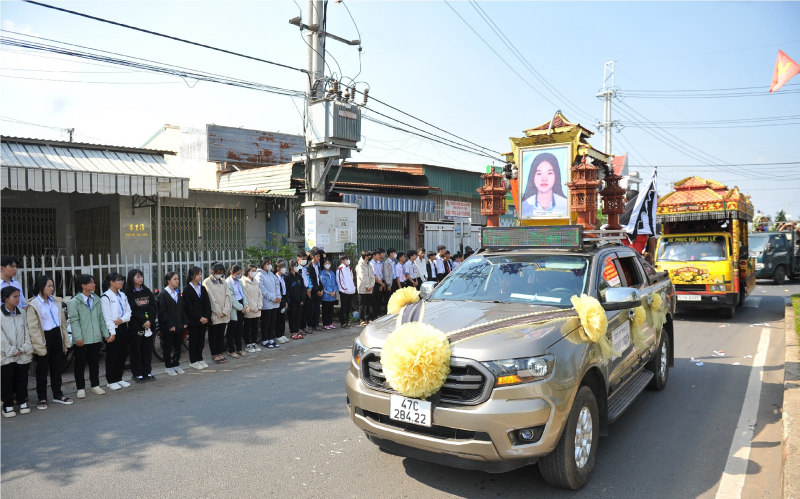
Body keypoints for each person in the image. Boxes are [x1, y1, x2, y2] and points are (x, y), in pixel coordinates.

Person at [28, 275, 73, 409]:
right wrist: (39, 344)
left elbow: (63, 323)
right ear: (41, 287)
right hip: (43, 337)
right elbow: (33, 328)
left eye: (52, 285)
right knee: (42, 369)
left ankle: (58, 394)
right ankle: (42, 397)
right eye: (49, 286)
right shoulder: (33, 305)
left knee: (57, 367)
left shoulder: (55, 301)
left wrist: (64, 339)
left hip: (56, 335)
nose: (52, 288)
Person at [70, 274, 110, 397]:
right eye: (91, 282)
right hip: (82, 339)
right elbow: (74, 321)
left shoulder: (96, 299)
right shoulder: (74, 302)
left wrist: (105, 334)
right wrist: (78, 337)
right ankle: (80, 388)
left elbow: (100, 319)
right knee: (80, 365)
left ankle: (95, 385)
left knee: (94, 363)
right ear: (83, 285)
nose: (94, 284)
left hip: (95, 338)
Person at [1, 287, 33, 417]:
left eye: (18, 296)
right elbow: (1, 337)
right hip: (6, 354)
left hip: (22, 353)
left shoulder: (22, 313)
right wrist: (12, 350)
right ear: (5, 299)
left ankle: (22, 401)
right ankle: (7, 405)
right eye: (15, 296)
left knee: (22, 378)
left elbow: (27, 331)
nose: (18, 299)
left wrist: (24, 348)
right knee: (6, 380)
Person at [100, 272, 132, 390]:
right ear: (111, 282)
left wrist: (122, 320)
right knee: (112, 355)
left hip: (123, 326)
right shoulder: (105, 297)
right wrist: (112, 332)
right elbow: (107, 317)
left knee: (122, 353)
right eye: (119, 280)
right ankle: (111, 380)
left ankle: (119, 378)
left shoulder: (122, 295)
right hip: (112, 328)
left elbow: (129, 311)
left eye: (122, 280)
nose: (122, 283)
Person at [126, 269, 157, 383]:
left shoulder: (146, 290)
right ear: (131, 278)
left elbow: (153, 305)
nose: (140, 279)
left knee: (147, 350)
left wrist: (150, 320)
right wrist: (144, 320)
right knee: (136, 350)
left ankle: (147, 372)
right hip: (136, 326)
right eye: (137, 277)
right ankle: (138, 373)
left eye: (141, 276)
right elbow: (133, 308)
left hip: (148, 325)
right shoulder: (128, 293)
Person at [158, 272, 188, 375]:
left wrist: (185, 321)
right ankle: (168, 366)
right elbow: (162, 312)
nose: (177, 281)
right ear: (168, 280)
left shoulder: (177, 293)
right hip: (168, 327)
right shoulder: (163, 294)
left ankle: (176, 364)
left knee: (178, 346)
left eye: (178, 278)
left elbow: (182, 309)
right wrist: (170, 325)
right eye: (175, 279)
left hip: (179, 325)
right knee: (168, 347)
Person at [521, 152, 568, 217]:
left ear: (556, 175)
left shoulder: (566, 204)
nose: (544, 178)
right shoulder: (524, 206)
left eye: (549, 173)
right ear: (533, 176)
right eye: (539, 174)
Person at [204, 263, 233, 364]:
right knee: (213, 335)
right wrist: (218, 311)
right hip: (215, 314)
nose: (220, 274)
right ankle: (214, 354)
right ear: (212, 271)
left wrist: (225, 311)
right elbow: (210, 299)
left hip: (224, 314)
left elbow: (228, 296)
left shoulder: (224, 281)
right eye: (218, 272)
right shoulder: (207, 282)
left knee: (221, 335)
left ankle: (220, 353)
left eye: (221, 272)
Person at [183, 266, 211, 370]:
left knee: (201, 340)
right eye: (198, 274)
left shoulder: (202, 288)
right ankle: (193, 360)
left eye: (200, 274)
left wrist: (206, 316)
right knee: (194, 340)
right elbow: (189, 307)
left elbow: (207, 303)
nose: (200, 276)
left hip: (204, 320)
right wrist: (199, 317)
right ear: (192, 276)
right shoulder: (187, 290)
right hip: (194, 320)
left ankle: (200, 358)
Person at [257, 257, 281, 349]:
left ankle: (271, 339)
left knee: (272, 322)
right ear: (264, 264)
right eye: (268, 263)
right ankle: (265, 340)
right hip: (267, 302)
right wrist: (272, 297)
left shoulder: (272, 274)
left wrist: (278, 296)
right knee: (266, 322)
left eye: (270, 263)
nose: (270, 265)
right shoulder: (259, 275)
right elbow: (262, 290)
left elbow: (277, 285)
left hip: (275, 302)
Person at [225, 265, 249, 358]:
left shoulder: (239, 282)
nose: (239, 275)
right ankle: (231, 350)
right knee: (232, 330)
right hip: (234, 308)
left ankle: (239, 349)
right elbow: (231, 298)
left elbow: (243, 294)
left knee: (239, 329)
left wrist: (245, 305)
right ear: (232, 273)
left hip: (241, 306)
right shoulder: (228, 282)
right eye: (237, 274)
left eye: (240, 274)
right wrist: (240, 307)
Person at [241, 264, 263, 353]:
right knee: (247, 328)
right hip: (250, 309)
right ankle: (248, 344)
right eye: (252, 270)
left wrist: (259, 306)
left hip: (257, 309)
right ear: (248, 271)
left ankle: (254, 342)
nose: (254, 272)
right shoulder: (243, 282)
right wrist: (254, 307)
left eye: (255, 270)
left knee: (255, 327)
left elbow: (260, 295)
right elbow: (247, 297)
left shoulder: (256, 281)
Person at [285, 258, 306, 340]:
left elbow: (303, 288)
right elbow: (289, 290)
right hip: (292, 301)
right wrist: (298, 300)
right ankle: (293, 332)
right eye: (295, 266)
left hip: (300, 301)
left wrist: (302, 299)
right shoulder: (287, 277)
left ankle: (297, 331)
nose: (296, 267)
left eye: (297, 265)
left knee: (298, 316)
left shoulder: (299, 276)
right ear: (291, 267)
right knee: (292, 317)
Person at [305, 250, 324, 332]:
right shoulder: (309, 267)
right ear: (312, 257)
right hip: (312, 290)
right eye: (317, 256)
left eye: (319, 256)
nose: (319, 258)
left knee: (317, 308)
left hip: (318, 289)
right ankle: (310, 324)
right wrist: (316, 290)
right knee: (311, 308)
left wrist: (321, 289)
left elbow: (319, 279)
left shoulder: (318, 266)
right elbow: (312, 280)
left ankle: (316, 324)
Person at [356, 251, 375, 326]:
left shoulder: (370, 265)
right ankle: (361, 319)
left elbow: (372, 276)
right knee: (362, 305)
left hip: (370, 289)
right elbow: (362, 277)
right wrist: (367, 286)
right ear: (365, 256)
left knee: (368, 304)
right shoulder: (360, 265)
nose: (370, 257)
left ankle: (367, 318)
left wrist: (371, 286)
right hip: (363, 288)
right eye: (369, 256)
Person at [336, 254, 355, 328]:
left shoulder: (349, 268)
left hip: (350, 290)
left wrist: (352, 288)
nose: (347, 260)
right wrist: (344, 289)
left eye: (348, 259)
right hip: (344, 291)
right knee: (343, 306)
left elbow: (351, 278)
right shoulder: (340, 269)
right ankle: (343, 322)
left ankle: (347, 320)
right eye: (346, 259)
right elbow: (339, 280)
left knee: (348, 306)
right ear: (342, 261)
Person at [273, 260, 289, 344]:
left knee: (282, 319)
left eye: (284, 267)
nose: (284, 269)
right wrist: (282, 301)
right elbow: (277, 291)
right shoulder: (275, 277)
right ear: (277, 268)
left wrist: (286, 301)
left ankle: (282, 334)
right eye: (282, 267)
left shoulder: (284, 277)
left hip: (284, 299)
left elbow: (286, 290)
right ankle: (278, 335)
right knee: (278, 319)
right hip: (278, 300)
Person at [320, 258, 337, 330]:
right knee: (325, 310)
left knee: (330, 310)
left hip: (333, 295)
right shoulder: (322, 273)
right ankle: (325, 324)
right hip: (326, 295)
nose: (327, 265)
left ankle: (330, 323)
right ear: (323, 265)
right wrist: (330, 292)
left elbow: (336, 283)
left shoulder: (332, 273)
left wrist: (335, 291)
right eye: (326, 263)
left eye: (328, 263)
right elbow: (323, 285)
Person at [295, 251, 310, 334]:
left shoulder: (305, 268)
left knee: (305, 311)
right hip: (300, 292)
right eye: (302, 259)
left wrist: (309, 288)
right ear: (298, 260)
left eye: (305, 259)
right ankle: (299, 327)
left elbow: (308, 278)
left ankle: (304, 326)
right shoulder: (297, 269)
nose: (304, 261)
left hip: (307, 290)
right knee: (299, 311)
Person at [371, 250, 384, 319]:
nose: (379, 256)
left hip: (380, 283)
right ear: (374, 255)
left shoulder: (378, 263)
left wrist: (381, 284)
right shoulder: (372, 264)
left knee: (379, 300)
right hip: (375, 283)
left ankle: (378, 314)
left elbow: (380, 274)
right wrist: (381, 283)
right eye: (378, 255)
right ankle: (374, 315)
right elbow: (374, 276)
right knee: (375, 300)